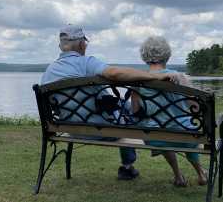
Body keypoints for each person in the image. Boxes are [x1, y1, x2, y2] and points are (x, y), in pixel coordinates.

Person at [41, 25, 178, 181]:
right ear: (81, 45)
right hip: (100, 130)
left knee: (123, 108)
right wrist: (154, 76)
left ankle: (131, 163)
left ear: (61, 46)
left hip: (70, 129)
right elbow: (113, 73)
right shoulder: (86, 63)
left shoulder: (49, 71)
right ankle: (129, 165)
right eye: (85, 43)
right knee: (130, 113)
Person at [134, 36, 207, 187]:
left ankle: (178, 176)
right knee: (184, 128)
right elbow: (197, 107)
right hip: (185, 133)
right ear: (167, 54)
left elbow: (135, 111)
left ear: (145, 56)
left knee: (164, 129)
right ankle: (200, 173)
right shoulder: (179, 77)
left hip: (154, 135)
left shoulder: (138, 80)